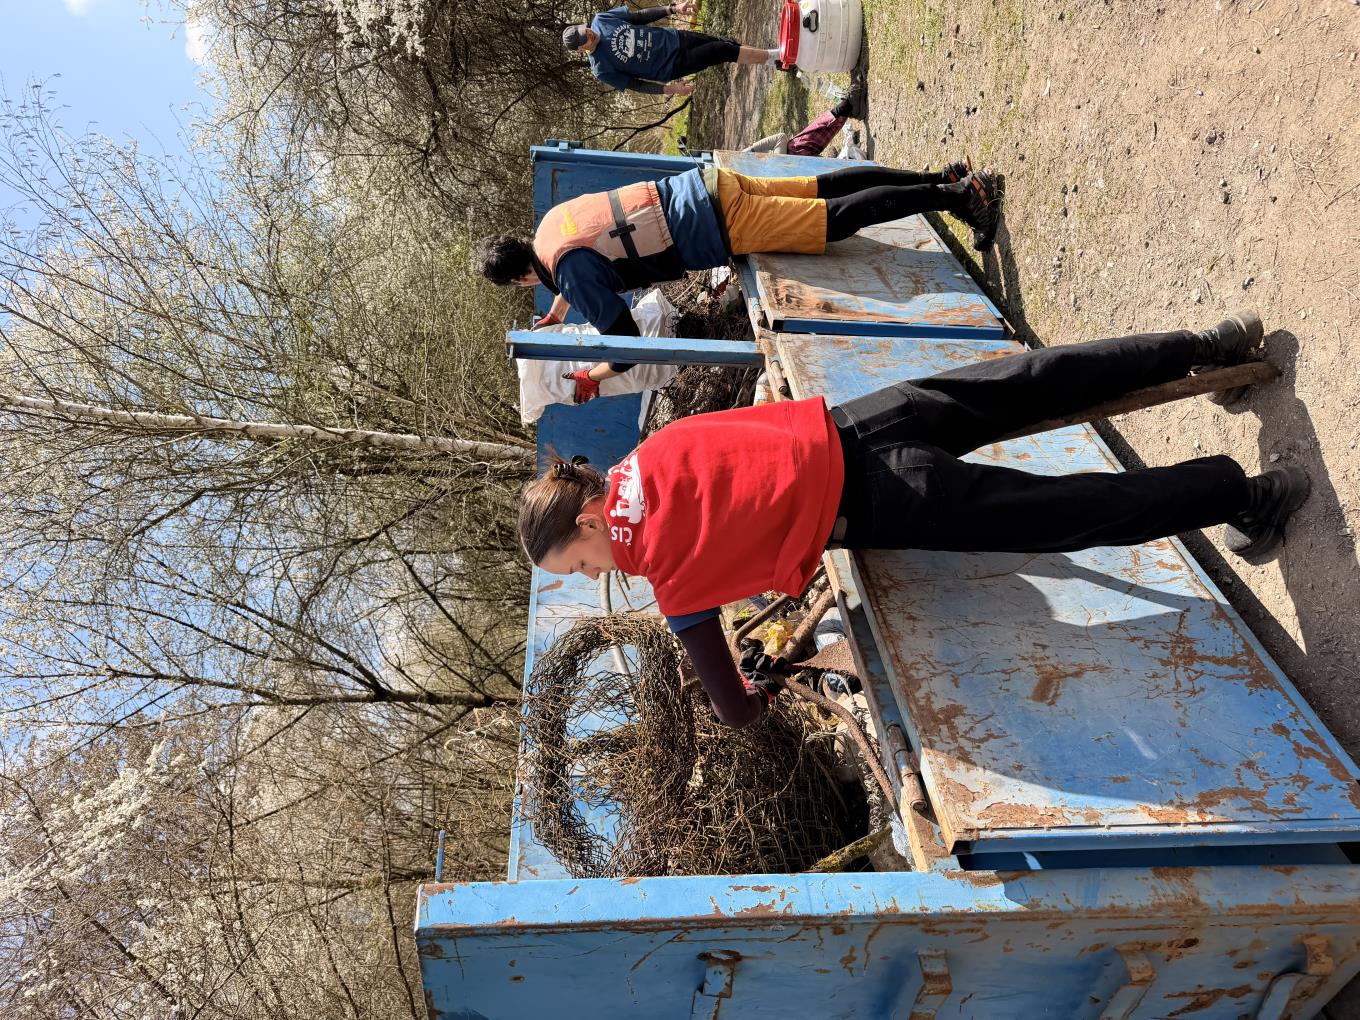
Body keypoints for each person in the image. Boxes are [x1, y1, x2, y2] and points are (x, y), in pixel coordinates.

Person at [516, 311, 1310, 727]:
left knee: (1067, 512)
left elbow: (733, 709)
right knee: (1039, 379)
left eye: (581, 564)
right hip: (867, 419)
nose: (597, 573)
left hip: (887, 497)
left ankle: (1245, 494)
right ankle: (1209, 345)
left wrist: (758, 696)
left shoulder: (670, 580)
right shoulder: (646, 457)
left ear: (588, 523)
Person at [475, 161, 998, 402]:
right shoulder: (550, 228)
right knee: (819, 188)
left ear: (521, 279)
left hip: (714, 226)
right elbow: (590, 252)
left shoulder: (567, 273)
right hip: (705, 184)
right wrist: (560, 311)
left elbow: (627, 344)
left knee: (831, 218)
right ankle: (941, 178)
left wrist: (592, 377)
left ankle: (959, 197)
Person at [563, 2, 779, 95]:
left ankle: (774, 61)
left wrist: (673, 9)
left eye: (585, 30)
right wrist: (671, 89)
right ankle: (779, 55)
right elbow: (636, 85)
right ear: (581, 50)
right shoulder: (601, 68)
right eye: (585, 39)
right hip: (671, 65)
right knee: (720, 50)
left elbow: (639, 17)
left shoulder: (601, 20)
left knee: (728, 45)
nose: (589, 34)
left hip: (675, 37)